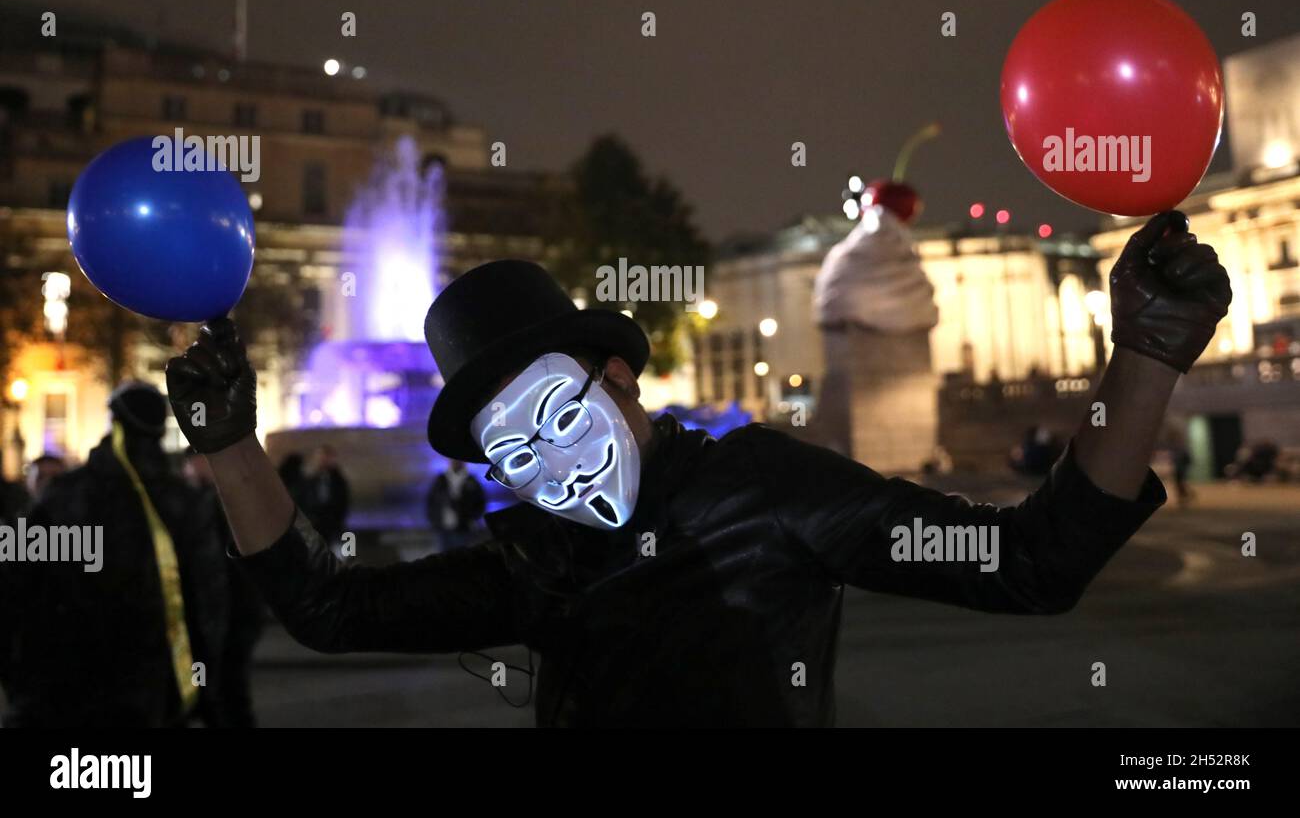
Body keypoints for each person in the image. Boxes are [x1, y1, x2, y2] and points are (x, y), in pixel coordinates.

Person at [165, 212, 1231, 727]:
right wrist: (229, 446)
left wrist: (1143, 356)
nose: (555, 464)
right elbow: (330, 608)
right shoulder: (533, 559)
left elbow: (1028, 561)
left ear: (619, 376)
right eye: (515, 452)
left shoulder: (767, 487)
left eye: (557, 413)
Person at [0, 383, 231, 727]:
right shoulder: (183, 503)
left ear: (113, 422)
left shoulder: (64, 494)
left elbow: (16, 588)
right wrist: (203, 687)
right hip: (151, 682)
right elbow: (208, 603)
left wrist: (19, 679)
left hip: (66, 678)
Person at [184, 449, 265, 727]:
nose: (190, 470)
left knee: (226, 691)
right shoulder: (219, 498)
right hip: (231, 611)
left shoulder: (219, 501)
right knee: (224, 692)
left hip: (231, 612)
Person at [426, 460, 486, 551]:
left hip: (463, 527)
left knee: (461, 554)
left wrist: (473, 519)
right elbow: (431, 501)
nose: (455, 463)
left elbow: (480, 501)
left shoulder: (471, 480)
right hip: (442, 528)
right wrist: (433, 520)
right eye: (453, 461)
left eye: (458, 461)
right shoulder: (441, 479)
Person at [299, 445, 350, 546]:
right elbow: (304, 500)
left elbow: (343, 501)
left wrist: (338, 520)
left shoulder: (338, 480)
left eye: (326, 457)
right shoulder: (310, 480)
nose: (322, 460)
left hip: (332, 523)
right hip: (314, 523)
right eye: (320, 457)